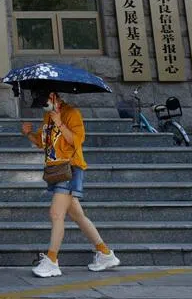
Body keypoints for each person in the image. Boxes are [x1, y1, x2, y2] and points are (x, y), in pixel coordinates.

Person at [21, 90, 120, 278]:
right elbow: (43, 143)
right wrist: (28, 134)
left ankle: (52, 260)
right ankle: (105, 253)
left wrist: (60, 122)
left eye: (45, 101)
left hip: (70, 168)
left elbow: (77, 141)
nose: (44, 106)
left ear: (54, 97)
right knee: (77, 215)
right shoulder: (47, 117)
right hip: (55, 170)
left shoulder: (72, 113)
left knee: (56, 213)